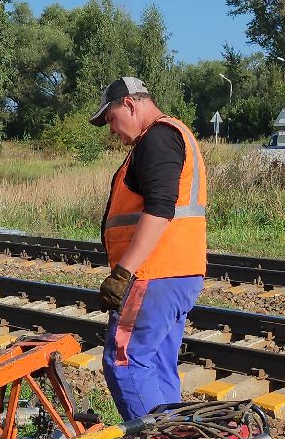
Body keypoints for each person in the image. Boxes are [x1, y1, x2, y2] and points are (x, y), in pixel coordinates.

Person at [89, 76, 208, 421]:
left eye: (111, 119)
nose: (111, 130)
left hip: (153, 274)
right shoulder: (172, 135)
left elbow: (159, 209)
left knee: (124, 361)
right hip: (178, 274)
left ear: (129, 104)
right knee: (156, 364)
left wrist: (123, 272)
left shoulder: (158, 138)